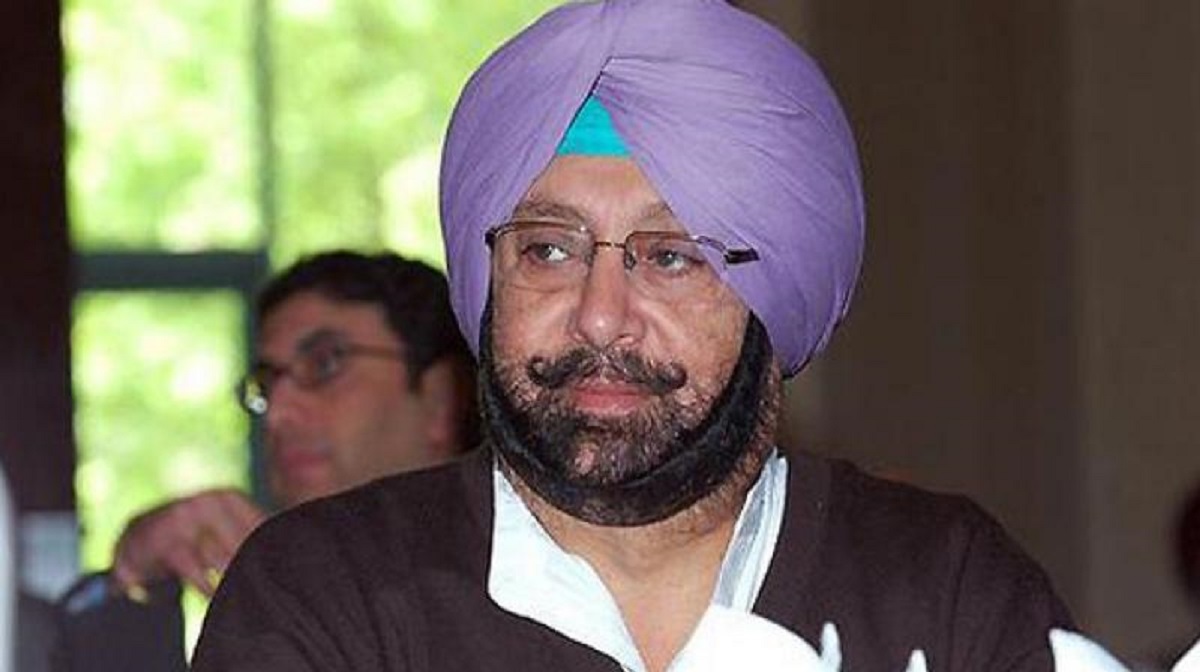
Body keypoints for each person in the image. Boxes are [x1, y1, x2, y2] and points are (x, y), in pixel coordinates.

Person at [193, 2, 1073, 670]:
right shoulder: (327, 593)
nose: (600, 314)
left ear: (775, 297)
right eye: (548, 249)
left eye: (673, 257)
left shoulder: (945, 590)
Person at [55, 250, 477, 671]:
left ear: (441, 397)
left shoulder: (505, 588)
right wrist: (132, 582)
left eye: (325, 363)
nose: (277, 413)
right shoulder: (271, 600)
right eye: (267, 383)